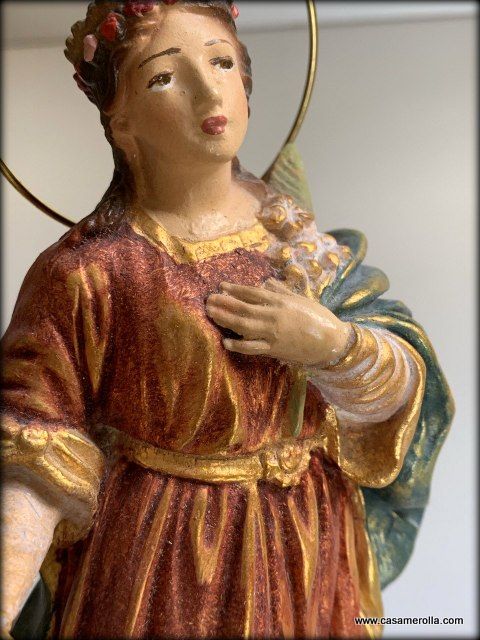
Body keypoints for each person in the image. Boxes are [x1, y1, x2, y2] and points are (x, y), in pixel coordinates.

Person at [1, 1, 453, 638]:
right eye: (164, 76)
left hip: (309, 544)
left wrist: (334, 346)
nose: (210, 90)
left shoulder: (302, 243)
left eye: (222, 63)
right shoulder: (87, 272)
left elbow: (408, 385)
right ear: (120, 119)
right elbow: (32, 446)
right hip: (164, 558)